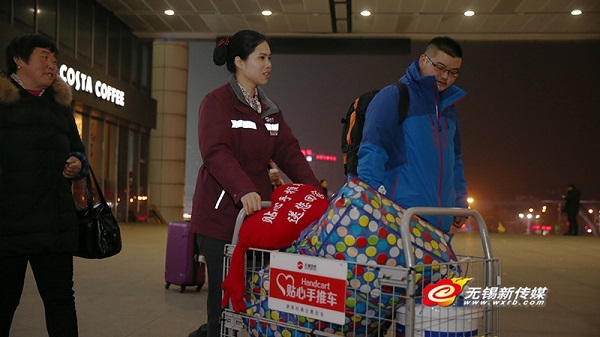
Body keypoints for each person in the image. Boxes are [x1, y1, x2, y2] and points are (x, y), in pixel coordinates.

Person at [188, 30, 320, 337]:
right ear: (239, 62)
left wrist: (315, 194)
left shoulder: (269, 110)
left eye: (269, 57)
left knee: (249, 299)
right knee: (222, 305)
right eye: (261, 57)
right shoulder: (216, 102)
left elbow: (289, 154)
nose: (268, 64)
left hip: (257, 217)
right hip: (221, 218)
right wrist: (243, 188)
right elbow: (215, 152)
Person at [0, 34, 89, 337]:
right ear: (19, 60)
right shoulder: (3, 101)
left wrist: (78, 163)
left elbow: (78, 150)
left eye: (54, 58)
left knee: (61, 302)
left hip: (54, 224)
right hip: (8, 225)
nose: (52, 65)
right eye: (44, 57)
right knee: (4, 302)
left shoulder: (60, 104)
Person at [357, 36, 468, 234]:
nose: (445, 76)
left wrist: (459, 201)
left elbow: (455, 161)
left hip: (440, 223)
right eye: (440, 67)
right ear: (423, 60)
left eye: (453, 72)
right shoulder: (395, 96)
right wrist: (371, 203)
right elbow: (372, 151)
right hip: (400, 218)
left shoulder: (449, 109)